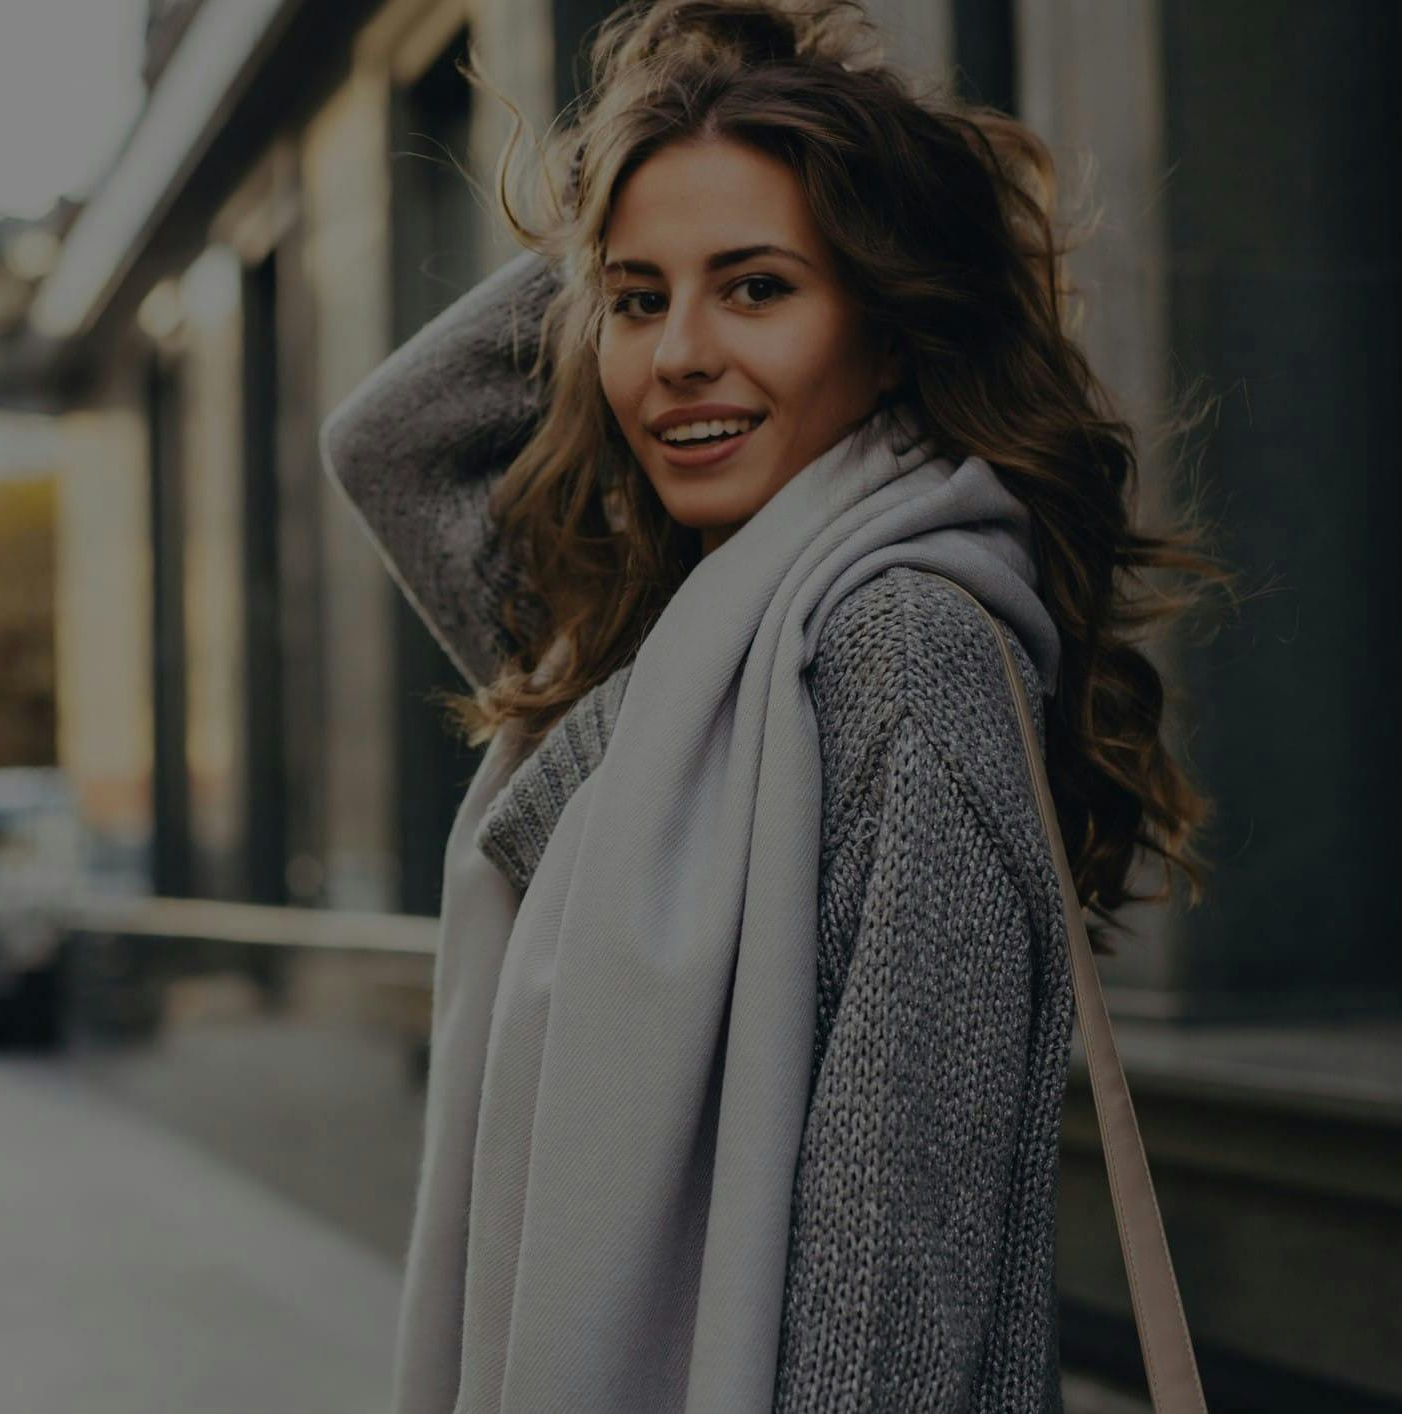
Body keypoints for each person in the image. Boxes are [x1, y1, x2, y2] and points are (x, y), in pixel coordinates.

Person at [318, 3, 1232, 1409]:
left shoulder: (902, 647)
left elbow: (894, 1272)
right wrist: (685, 119)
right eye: (635, 301)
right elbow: (394, 441)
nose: (678, 353)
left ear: (890, 329)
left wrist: (725, 152)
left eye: (756, 288)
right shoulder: (651, 654)